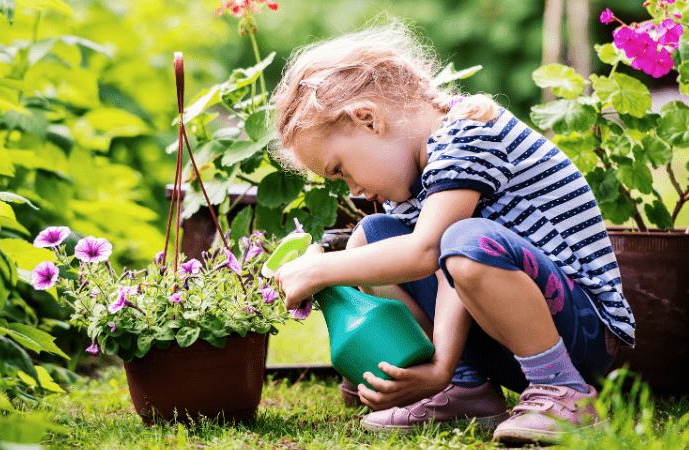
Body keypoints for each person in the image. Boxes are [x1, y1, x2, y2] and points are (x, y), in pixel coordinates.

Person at [270, 21, 635, 446]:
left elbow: (428, 252)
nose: (352, 189)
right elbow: (446, 274)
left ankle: (566, 392)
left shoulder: (469, 133)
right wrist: (443, 368)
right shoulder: (416, 182)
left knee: (466, 242)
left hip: (584, 337)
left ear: (368, 119)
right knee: (373, 237)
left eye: (340, 169)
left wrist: (319, 270)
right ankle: (467, 391)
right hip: (507, 338)